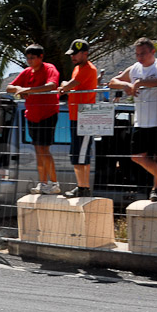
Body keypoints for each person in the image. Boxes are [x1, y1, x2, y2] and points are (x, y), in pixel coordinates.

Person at [109, 37, 157, 201]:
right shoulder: (134, 68)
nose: (140, 57)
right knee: (137, 156)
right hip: (142, 120)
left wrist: (140, 83)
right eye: (137, 54)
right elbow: (112, 82)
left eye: (143, 53)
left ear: (152, 52)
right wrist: (125, 85)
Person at [7, 44, 61, 194]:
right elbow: (9, 87)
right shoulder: (27, 72)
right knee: (38, 150)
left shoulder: (49, 68)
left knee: (44, 149)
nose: (29, 61)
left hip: (47, 114)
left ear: (41, 57)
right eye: (28, 58)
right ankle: (43, 183)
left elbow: (51, 85)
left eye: (32, 58)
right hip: (32, 116)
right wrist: (19, 89)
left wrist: (28, 90)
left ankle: (54, 183)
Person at [58, 39, 98, 198]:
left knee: (81, 155)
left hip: (85, 117)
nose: (72, 57)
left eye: (75, 54)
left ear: (85, 53)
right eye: (72, 54)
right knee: (77, 154)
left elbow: (68, 86)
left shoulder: (89, 69)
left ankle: (83, 187)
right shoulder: (77, 69)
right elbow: (69, 87)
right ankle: (82, 186)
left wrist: (64, 85)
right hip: (75, 115)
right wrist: (65, 86)